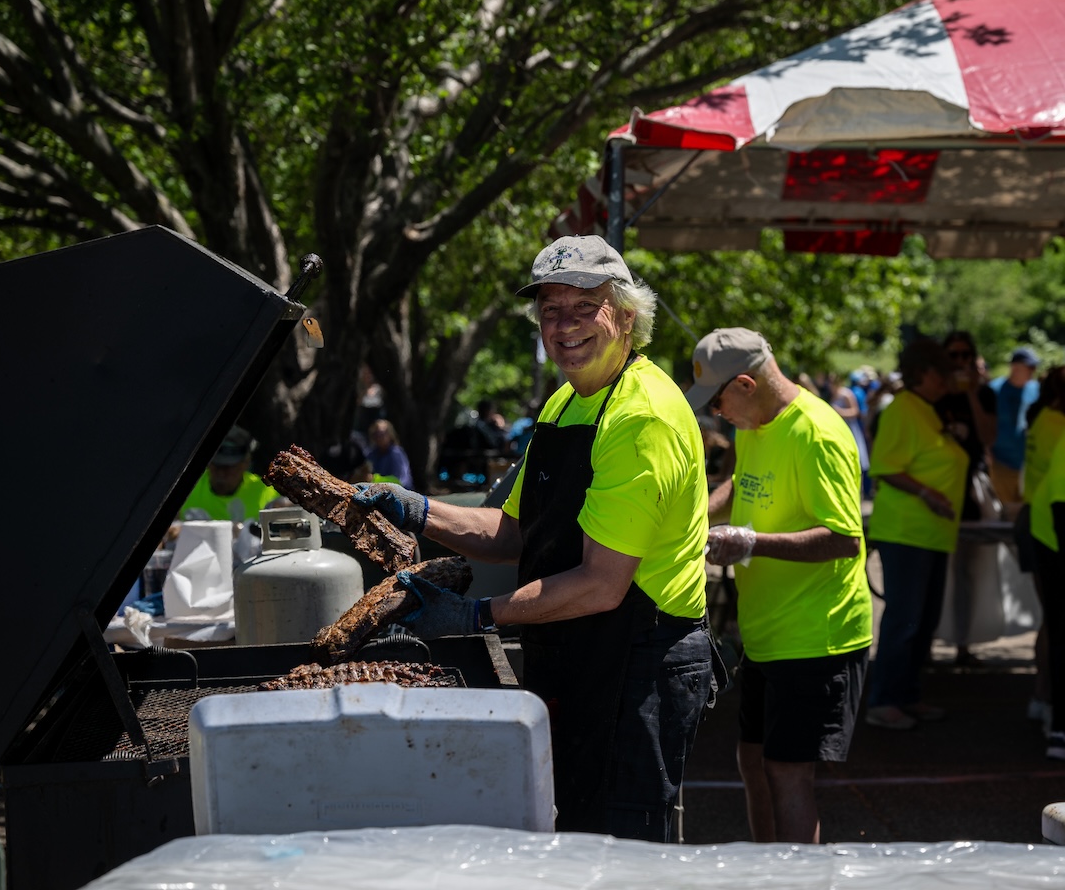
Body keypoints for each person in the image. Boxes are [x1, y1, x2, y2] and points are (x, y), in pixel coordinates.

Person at [351, 234, 715, 842]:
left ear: (626, 317)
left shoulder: (640, 415)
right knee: (573, 833)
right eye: (551, 311)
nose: (565, 325)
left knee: (622, 853)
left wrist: (475, 614)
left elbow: (601, 585)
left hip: (636, 662)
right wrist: (415, 509)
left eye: (583, 308)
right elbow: (514, 533)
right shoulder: (564, 404)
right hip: (575, 652)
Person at [686, 328, 872, 844]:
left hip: (818, 634)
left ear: (746, 383)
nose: (715, 413)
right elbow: (737, 483)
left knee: (788, 773)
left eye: (718, 399)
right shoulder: (755, 422)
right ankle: (765, 869)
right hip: (767, 630)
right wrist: (693, 518)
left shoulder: (817, 432)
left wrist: (749, 543)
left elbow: (844, 538)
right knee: (752, 760)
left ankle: (797, 881)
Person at [865, 338, 969, 730]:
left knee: (921, 621)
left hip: (930, 534)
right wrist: (927, 493)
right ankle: (884, 700)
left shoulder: (924, 409)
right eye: (942, 371)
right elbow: (886, 467)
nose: (949, 379)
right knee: (905, 620)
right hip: (907, 533)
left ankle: (906, 695)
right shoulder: (903, 410)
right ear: (923, 373)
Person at [935, 330, 998, 667]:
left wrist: (972, 393)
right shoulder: (931, 395)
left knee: (967, 572)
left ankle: (962, 643)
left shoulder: (985, 394)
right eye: (953, 356)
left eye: (965, 356)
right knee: (934, 572)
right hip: (934, 491)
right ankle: (928, 644)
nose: (959, 362)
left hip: (969, 492)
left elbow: (989, 437)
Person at [1022, 365, 1065, 736]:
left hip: (1041, 522)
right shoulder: (1055, 425)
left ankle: (1041, 697)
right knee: (1053, 621)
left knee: (1050, 620)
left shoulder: (1046, 418)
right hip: (1048, 527)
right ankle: (1048, 703)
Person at [179, 424, 279, 524]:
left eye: (229, 467)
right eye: (217, 464)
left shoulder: (267, 494)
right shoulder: (186, 488)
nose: (221, 472)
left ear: (245, 463)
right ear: (208, 463)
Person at [989, 346, 1042, 515]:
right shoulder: (993, 390)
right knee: (1005, 512)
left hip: (1028, 466)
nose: (1033, 371)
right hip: (1001, 464)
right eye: (1029, 366)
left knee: (1026, 513)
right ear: (1014, 367)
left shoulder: (1037, 390)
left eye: (1034, 367)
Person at [365, 418, 414, 488]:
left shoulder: (396, 453)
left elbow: (399, 480)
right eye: (376, 434)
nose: (378, 437)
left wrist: (374, 478)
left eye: (382, 434)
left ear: (390, 435)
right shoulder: (371, 454)